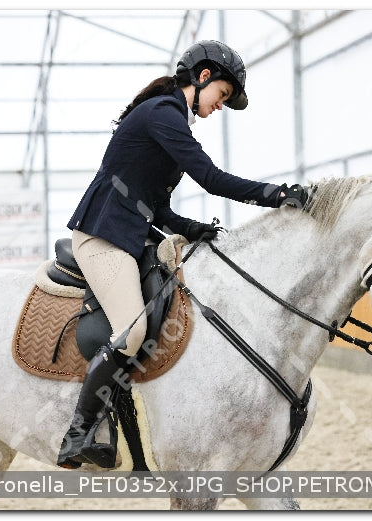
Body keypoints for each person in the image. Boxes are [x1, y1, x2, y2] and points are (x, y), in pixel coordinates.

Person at [57, 40, 308, 469]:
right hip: (103, 238)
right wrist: (278, 194)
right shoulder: (163, 114)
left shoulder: (168, 117)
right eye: (223, 96)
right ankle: (77, 434)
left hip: (131, 235)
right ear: (204, 77)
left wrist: (196, 230)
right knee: (133, 332)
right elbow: (211, 178)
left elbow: (158, 208)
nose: (221, 106)